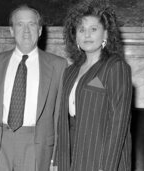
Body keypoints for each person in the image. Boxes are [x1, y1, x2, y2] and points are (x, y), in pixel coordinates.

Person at [0, 5, 67, 171]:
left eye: (32, 24)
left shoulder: (58, 65)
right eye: (20, 24)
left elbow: (60, 116)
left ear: (40, 30)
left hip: (37, 146)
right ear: (11, 30)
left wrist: (56, 158)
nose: (26, 30)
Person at [56, 1, 132, 171]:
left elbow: (118, 124)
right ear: (74, 36)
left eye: (93, 29)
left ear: (105, 33)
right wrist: (57, 161)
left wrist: (106, 167)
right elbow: (63, 122)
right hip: (72, 157)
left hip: (103, 160)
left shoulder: (115, 67)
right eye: (81, 30)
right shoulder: (70, 71)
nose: (87, 35)